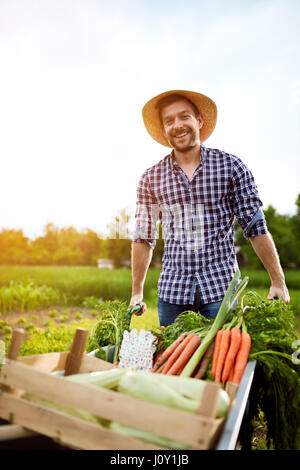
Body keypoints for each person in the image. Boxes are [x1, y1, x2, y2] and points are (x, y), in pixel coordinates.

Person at [129, 89, 290, 327]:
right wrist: (136, 291)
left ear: (199, 121)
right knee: (174, 362)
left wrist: (278, 281)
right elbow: (143, 238)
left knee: (219, 362)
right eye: (169, 121)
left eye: (184, 116)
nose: (178, 125)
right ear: (164, 130)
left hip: (221, 291)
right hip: (173, 293)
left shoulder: (232, 167)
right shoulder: (150, 178)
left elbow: (255, 226)